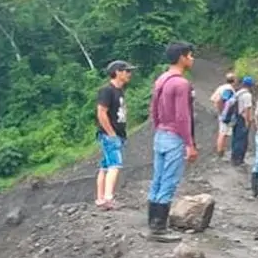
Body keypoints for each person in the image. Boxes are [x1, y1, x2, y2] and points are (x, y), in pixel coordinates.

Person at [147, 42, 198, 242]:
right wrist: (190, 144)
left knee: (158, 179)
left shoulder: (162, 79)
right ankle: (159, 228)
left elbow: (153, 110)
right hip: (174, 136)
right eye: (190, 55)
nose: (192, 59)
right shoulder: (181, 84)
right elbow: (182, 117)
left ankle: (152, 221)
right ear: (182, 58)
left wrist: (159, 127)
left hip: (160, 133)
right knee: (169, 180)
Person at [94, 60, 135, 210]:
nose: (130, 74)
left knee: (105, 166)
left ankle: (100, 198)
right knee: (115, 165)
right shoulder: (107, 90)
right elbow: (101, 113)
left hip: (118, 133)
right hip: (109, 134)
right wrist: (111, 134)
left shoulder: (120, 91)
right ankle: (108, 198)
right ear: (117, 72)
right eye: (127, 71)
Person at [229, 75, 255, 166]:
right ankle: (238, 160)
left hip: (236, 118)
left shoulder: (238, 93)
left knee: (235, 138)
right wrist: (248, 122)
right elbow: (247, 109)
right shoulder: (247, 95)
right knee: (242, 140)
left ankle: (233, 157)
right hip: (243, 119)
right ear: (250, 85)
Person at [210, 72, 237, 158]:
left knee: (222, 132)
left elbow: (213, 99)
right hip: (226, 114)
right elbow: (219, 100)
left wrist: (218, 110)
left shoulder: (222, 87)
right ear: (234, 80)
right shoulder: (229, 89)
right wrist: (222, 111)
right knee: (223, 133)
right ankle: (220, 152)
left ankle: (221, 150)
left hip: (222, 113)